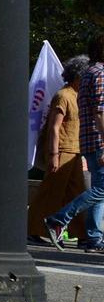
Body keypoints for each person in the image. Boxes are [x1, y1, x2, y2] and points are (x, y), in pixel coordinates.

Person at [46, 34, 104, 253]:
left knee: (100, 189)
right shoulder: (100, 74)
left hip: (89, 139)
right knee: (101, 189)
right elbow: (100, 113)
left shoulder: (89, 73)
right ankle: (58, 219)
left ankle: (94, 239)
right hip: (99, 139)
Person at [29, 55, 90, 244]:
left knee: (76, 193)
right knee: (51, 191)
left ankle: (81, 234)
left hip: (75, 151)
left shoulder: (78, 96)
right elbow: (54, 127)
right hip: (61, 151)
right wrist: (54, 155)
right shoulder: (63, 96)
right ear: (78, 76)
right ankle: (32, 229)